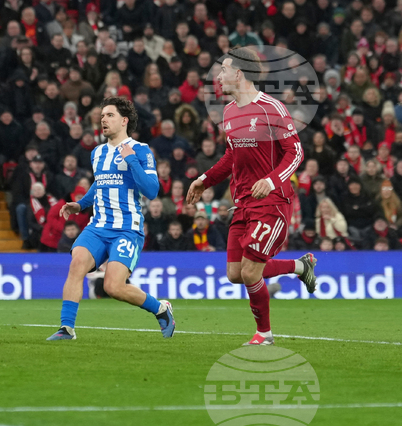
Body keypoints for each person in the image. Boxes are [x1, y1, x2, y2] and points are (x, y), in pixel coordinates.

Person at [186, 48, 316, 346]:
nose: (218, 76)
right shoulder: (230, 112)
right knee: (235, 273)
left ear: (239, 73)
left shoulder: (273, 108)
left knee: (249, 270)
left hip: (272, 202)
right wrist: (205, 179)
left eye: (223, 71)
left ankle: (265, 334)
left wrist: (271, 181)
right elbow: (232, 155)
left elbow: (295, 152)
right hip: (243, 202)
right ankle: (300, 266)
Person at [47, 97, 175, 342]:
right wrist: (81, 204)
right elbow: (101, 183)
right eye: (102, 115)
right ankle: (67, 328)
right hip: (98, 226)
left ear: (124, 120)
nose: (103, 119)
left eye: (109, 115)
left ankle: (160, 309)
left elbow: (151, 190)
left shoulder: (140, 150)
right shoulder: (97, 152)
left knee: (113, 287)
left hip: (127, 228)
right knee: (76, 265)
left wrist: (131, 160)